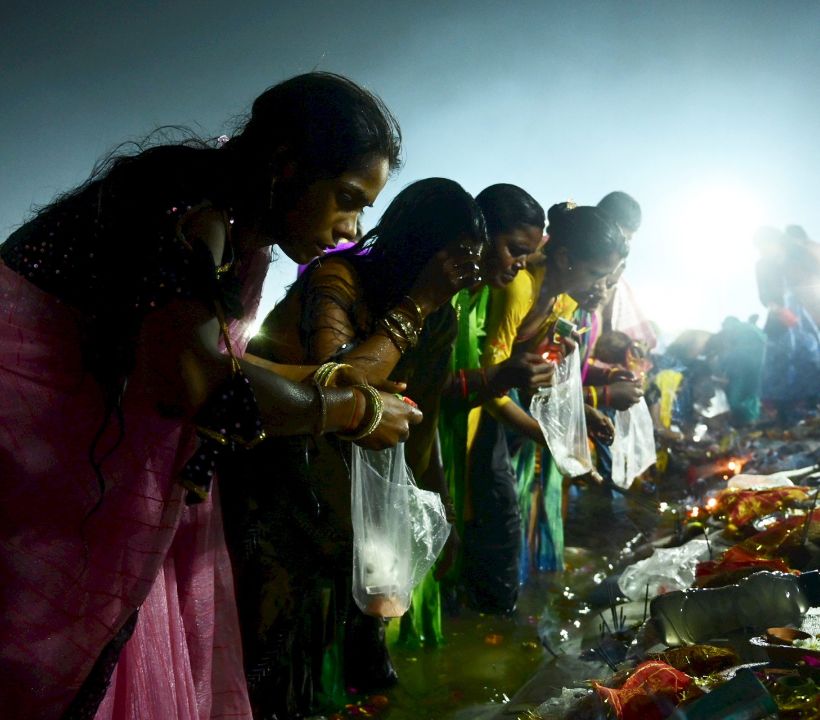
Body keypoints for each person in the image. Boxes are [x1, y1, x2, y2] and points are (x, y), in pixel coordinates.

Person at [0, 71, 422, 720]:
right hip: (31, 469)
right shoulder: (193, 212)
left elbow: (203, 355)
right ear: (286, 164)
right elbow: (190, 380)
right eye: (346, 197)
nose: (348, 229)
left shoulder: (233, 227)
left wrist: (323, 382)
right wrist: (351, 411)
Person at [224, 178, 486, 717]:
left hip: (350, 490)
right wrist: (419, 302)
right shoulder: (338, 276)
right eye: (457, 263)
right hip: (277, 467)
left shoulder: (443, 316)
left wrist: (440, 508)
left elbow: (425, 418)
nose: (466, 278)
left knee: (362, 652)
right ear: (421, 248)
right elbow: (340, 386)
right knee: (276, 643)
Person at [596, 191, 657, 350]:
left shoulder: (617, 284)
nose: (616, 246)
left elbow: (601, 343)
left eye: (626, 240)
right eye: (613, 235)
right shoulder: (548, 253)